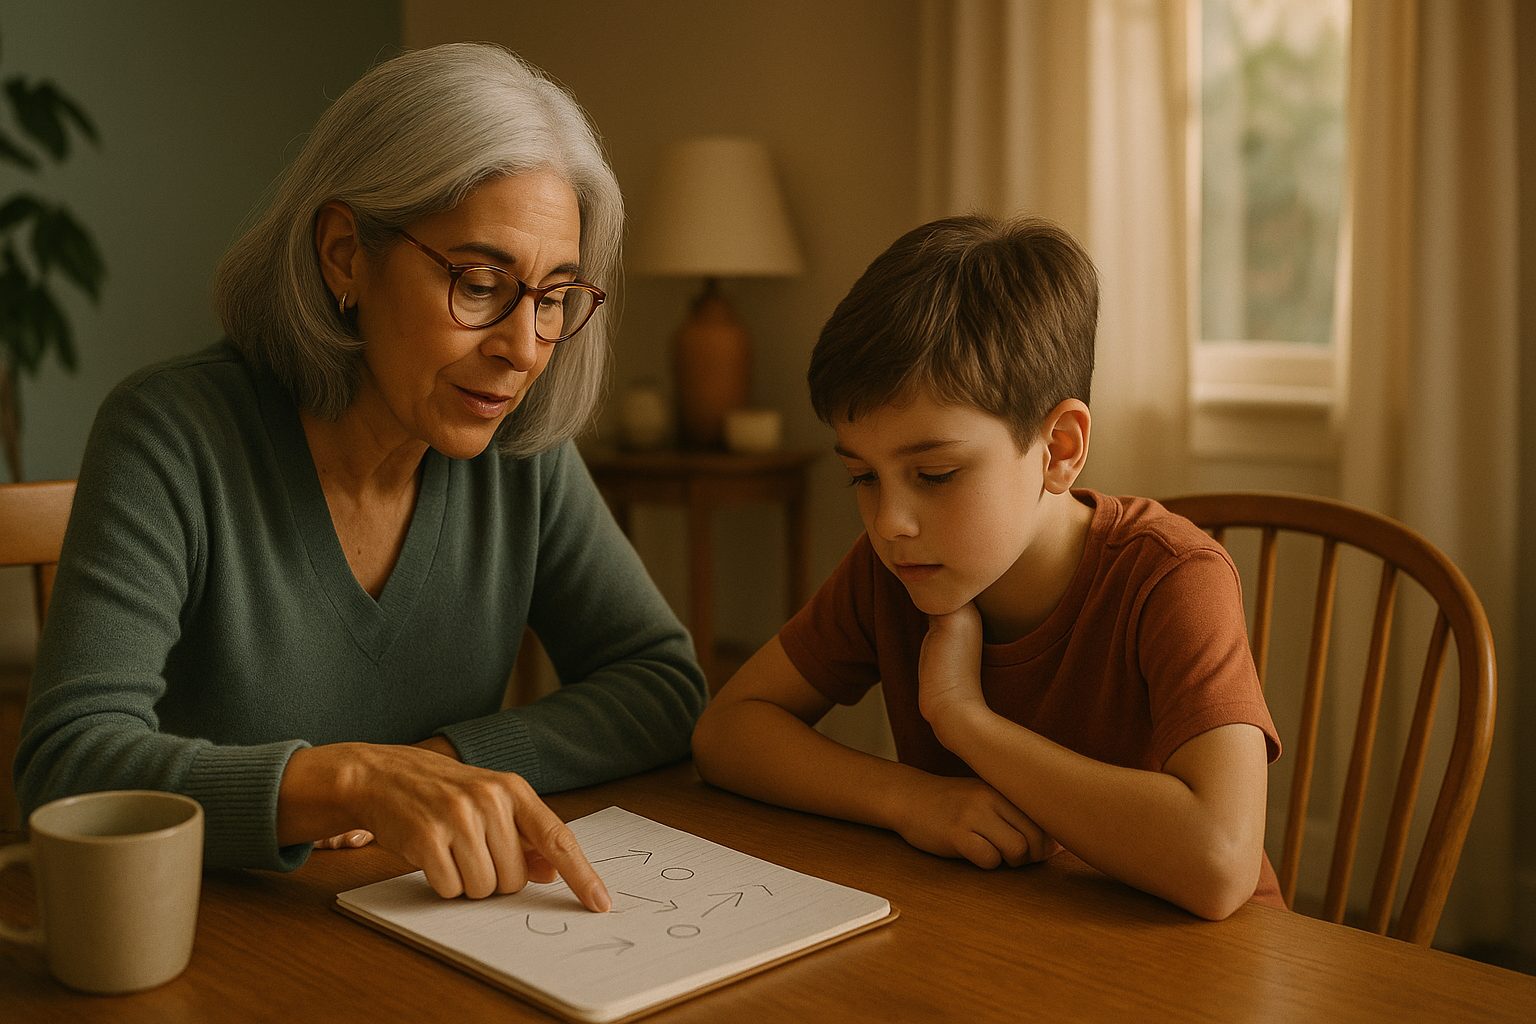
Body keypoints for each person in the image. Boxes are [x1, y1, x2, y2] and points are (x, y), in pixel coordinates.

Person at [15, 43, 707, 913]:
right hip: (217, 941)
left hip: (425, 930)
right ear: (346, 254)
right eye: (481, 282)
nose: (524, 349)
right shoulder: (172, 434)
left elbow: (661, 684)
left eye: (555, 295)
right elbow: (67, 762)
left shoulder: (516, 447)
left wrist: (443, 769)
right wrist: (349, 783)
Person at [691, 215, 1282, 921]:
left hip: (1199, 969)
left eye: (934, 473)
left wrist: (964, 720)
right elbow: (727, 733)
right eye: (863, 477)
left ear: (1059, 448)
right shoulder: (892, 570)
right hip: (999, 941)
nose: (889, 522)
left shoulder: (1173, 578)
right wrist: (911, 799)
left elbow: (1218, 864)